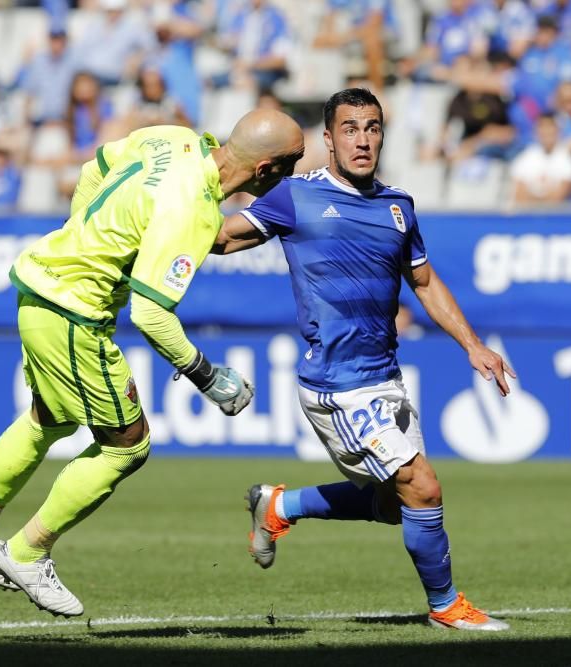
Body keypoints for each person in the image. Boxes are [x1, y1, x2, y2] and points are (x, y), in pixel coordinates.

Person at [0, 109, 305, 617]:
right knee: (128, 447)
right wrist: (208, 376)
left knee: (50, 418)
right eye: (293, 163)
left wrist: (86, 235)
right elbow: (152, 313)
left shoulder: (173, 140)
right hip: (74, 313)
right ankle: (27, 551)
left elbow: (95, 168)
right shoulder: (193, 207)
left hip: (41, 287)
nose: (293, 173)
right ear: (267, 168)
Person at [212, 88, 514, 632]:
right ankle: (446, 606)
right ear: (327, 139)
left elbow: (422, 280)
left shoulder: (398, 207)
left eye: (372, 127)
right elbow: (221, 240)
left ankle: (281, 505)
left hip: (384, 380)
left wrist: (473, 344)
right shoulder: (292, 197)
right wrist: (164, 211)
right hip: (336, 384)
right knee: (423, 488)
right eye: (350, 128)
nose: (363, 139)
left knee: (398, 505)